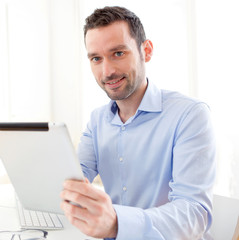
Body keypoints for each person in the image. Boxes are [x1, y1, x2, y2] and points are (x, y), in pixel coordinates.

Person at [60, 6, 216, 240]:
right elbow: (75, 176)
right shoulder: (97, 120)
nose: (107, 71)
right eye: (96, 58)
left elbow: (193, 214)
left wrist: (117, 223)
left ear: (147, 51)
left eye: (119, 53)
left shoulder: (190, 115)